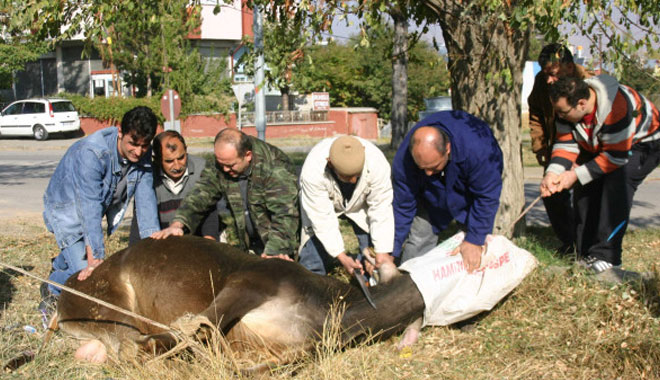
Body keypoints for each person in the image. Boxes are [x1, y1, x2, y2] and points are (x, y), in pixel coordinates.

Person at [541, 75, 660, 274]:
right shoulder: (566, 110)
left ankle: (608, 256)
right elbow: (565, 145)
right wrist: (553, 173)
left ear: (581, 103)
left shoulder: (618, 107)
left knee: (617, 184)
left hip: (644, 144)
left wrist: (574, 175)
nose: (559, 117)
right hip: (602, 144)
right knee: (585, 187)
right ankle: (586, 252)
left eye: (562, 112)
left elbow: (615, 157)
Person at [41, 106, 160, 304]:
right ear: (120, 131)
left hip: (93, 206)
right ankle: (52, 286)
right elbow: (89, 208)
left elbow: (146, 202)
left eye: (145, 146)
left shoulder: (142, 152)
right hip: (66, 210)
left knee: (81, 260)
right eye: (133, 144)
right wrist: (95, 259)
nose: (139, 151)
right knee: (86, 273)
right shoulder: (92, 152)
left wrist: (153, 252)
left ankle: (62, 261)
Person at [151, 128, 300, 259]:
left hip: (274, 244)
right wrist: (178, 224)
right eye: (221, 164)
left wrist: (275, 252)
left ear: (247, 155)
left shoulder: (276, 168)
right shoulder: (223, 162)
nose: (225, 170)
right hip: (244, 243)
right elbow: (200, 194)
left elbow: (284, 215)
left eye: (230, 165)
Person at [392, 110, 503, 273]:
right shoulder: (405, 159)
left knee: (472, 246)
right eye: (422, 168)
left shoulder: (479, 149)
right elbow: (402, 206)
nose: (428, 173)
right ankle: (410, 282)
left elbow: (486, 196)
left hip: (469, 191)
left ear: (448, 148)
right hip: (430, 194)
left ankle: (466, 284)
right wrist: (390, 250)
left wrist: (474, 239)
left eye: (433, 167)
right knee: (419, 236)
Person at [527, 43, 592, 254]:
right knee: (552, 193)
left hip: (588, 150)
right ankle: (570, 243)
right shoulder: (542, 83)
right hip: (559, 147)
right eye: (544, 74)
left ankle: (590, 248)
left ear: (569, 68)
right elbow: (536, 112)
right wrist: (540, 146)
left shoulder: (590, 83)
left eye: (553, 74)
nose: (548, 80)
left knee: (586, 197)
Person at [298, 135, 395, 275]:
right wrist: (341, 256)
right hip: (323, 205)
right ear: (330, 163)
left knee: (374, 254)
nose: (353, 180)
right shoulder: (313, 169)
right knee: (312, 260)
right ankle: (314, 279)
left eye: (357, 175)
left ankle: (368, 277)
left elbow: (381, 208)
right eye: (347, 177)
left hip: (362, 205)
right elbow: (321, 218)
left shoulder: (377, 163)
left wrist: (382, 251)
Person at [128, 130, 219, 245]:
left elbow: (210, 208)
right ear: (157, 160)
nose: (177, 166)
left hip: (198, 240)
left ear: (186, 150)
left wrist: (209, 241)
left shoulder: (202, 169)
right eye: (169, 161)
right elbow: (140, 219)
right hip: (162, 242)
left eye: (181, 158)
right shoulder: (146, 180)